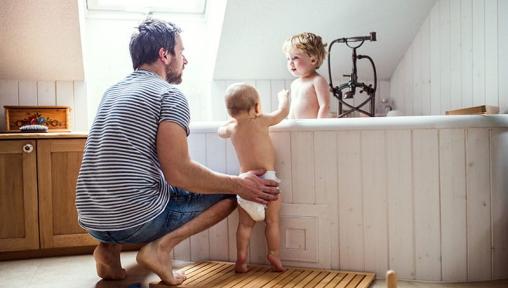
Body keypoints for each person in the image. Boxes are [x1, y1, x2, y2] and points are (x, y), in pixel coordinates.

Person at [75, 18, 279, 286]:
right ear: (164, 55)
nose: (185, 60)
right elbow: (179, 173)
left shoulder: (113, 92)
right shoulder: (168, 95)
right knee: (231, 192)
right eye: (181, 52)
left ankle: (107, 250)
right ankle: (160, 249)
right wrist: (239, 184)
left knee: (141, 179)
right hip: (134, 219)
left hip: (91, 218)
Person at [217, 83, 289, 273]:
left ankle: (241, 259)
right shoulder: (261, 120)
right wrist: (284, 97)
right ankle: (273, 253)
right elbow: (282, 113)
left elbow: (220, 131)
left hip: (246, 184)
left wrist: (230, 121)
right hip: (268, 182)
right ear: (257, 107)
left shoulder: (232, 128)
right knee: (272, 222)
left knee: (244, 226)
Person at [282, 32, 331, 119]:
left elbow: (325, 106)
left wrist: (319, 126)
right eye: (288, 58)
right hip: (297, 127)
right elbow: (293, 108)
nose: (290, 62)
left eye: (295, 57)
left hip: (312, 128)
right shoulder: (294, 84)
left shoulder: (317, 80)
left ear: (313, 60)